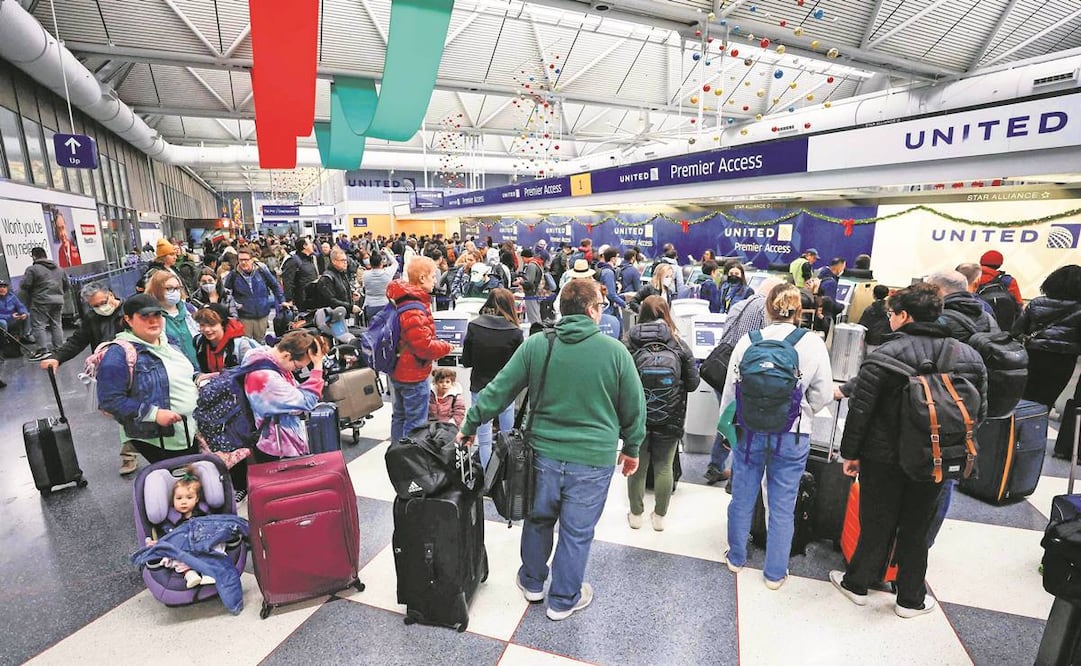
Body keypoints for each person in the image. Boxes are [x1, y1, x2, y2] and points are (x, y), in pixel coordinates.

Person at [456, 279, 645, 621]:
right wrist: (631, 448)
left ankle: (532, 583)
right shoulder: (616, 352)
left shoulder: (537, 345)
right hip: (593, 459)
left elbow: (498, 389)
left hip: (541, 453)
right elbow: (635, 407)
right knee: (576, 532)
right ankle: (562, 600)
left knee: (538, 518)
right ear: (592, 310)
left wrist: (470, 425)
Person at [831, 283, 987, 618]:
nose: (889, 319)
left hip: (882, 456)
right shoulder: (969, 356)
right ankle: (910, 599)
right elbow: (978, 411)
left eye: (891, 314)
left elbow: (862, 411)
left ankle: (858, 584)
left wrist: (851, 454)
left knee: (876, 520)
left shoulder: (885, 356)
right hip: (936, 456)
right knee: (918, 526)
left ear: (904, 316)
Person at [719, 283, 833, 590]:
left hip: (749, 432)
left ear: (767, 309)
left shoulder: (748, 341)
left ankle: (737, 556)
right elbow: (822, 396)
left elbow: (731, 394)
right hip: (793, 435)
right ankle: (775, 571)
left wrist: (728, 431)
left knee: (742, 497)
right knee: (783, 503)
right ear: (799, 311)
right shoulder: (811, 343)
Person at [97, 294, 200, 464]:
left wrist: (199, 378)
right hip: (161, 439)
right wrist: (154, 414)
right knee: (181, 486)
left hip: (190, 431)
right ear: (128, 320)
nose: (153, 321)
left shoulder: (168, 342)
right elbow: (109, 400)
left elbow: (182, 374)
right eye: (144, 316)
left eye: (157, 315)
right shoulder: (118, 354)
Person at [625, 296, 699, 531]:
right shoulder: (678, 343)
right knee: (664, 466)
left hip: (638, 415)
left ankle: (636, 515)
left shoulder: (630, 340)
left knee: (637, 464)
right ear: (667, 313)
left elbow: (619, 379)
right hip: (671, 414)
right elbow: (693, 383)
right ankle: (659, 517)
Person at [703, 276, 785, 487]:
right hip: (746, 374)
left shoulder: (739, 304)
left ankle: (715, 466)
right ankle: (736, 480)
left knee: (727, 419)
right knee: (745, 426)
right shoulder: (764, 309)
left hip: (720, 370)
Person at [42, 283, 133, 472]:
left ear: (110, 293)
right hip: (110, 372)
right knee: (123, 413)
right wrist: (57, 357)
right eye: (95, 306)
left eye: (103, 302)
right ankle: (130, 452)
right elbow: (77, 341)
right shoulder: (92, 318)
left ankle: (134, 451)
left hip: (135, 366)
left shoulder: (130, 309)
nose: (101, 307)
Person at [386, 257, 454, 445]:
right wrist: (447, 347)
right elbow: (423, 347)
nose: (436, 281)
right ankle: (408, 462)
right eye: (433, 276)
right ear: (422, 278)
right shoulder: (414, 308)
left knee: (399, 416)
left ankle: (396, 454)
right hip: (413, 375)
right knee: (415, 423)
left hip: (397, 368)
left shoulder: (401, 299)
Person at [460, 288, 523, 467]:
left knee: (484, 439)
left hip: (479, 386)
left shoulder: (474, 325)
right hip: (506, 390)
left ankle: (487, 479)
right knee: (507, 435)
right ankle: (506, 476)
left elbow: (466, 361)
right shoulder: (515, 332)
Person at [241, 330, 326, 460]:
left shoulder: (262, 356)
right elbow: (307, 402)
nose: (296, 371)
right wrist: (318, 367)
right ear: (287, 355)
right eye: (298, 367)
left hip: (277, 440)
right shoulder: (266, 378)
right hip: (278, 447)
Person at [1012, 264, 1081, 409]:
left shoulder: (1037, 303)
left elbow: (1016, 332)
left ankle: (1014, 430)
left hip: (1032, 355)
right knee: (1045, 401)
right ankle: (1036, 429)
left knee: (1023, 398)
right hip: (1063, 361)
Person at [143, 465, 221, 589]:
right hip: (183, 547)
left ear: (197, 499)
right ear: (173, 499)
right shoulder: (170, 519)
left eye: (189, 497)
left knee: (214, 548)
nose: (183, 501)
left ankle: (207, 573)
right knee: (175, 556)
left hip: (201, 544)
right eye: (179, 498)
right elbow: (168, 535)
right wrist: (158, 543)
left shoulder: (203, 512)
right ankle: (189, 574)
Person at [223, 248, 284, 341]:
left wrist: (282, 301)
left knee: (260, 342)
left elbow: (275, 285)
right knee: (245, 343)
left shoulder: (261, 271)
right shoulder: (233, 275)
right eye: (241, 260)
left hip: (262, 313)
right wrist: (234, 308)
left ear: (251, 260)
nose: (243, 263)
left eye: (246, 260)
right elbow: (226, 294)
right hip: (244, 316)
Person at [20, 247, 66, 362]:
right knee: (56, 324)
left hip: (41, 301)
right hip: (58, 300)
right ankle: (59, 347)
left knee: (39, 325)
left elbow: (25, 285)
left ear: (34, 256)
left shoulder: (32, 269)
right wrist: (59, 293)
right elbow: (67, 284)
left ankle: (43, 351)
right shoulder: (59, 269)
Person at [148, 270, 200, 369]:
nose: (175, 292)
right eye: (169, 288)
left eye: (177, 288)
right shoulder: (152, 317)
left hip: (200, 367)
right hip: (175, 370)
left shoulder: (190, 309)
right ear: (157, 290)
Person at [192, 303, 260, 374]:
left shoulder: (240, 345)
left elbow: (252, 372)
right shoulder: (198, 342)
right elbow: (195, 368)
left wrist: (219, 376)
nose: (206, 329)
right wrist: (198, 376)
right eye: (202, 325)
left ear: (223, 324)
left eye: (212, 324)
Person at [315, 248, 361, 316]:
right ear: (334, 261)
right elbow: (330, 301)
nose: (345, 263)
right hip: (333, 317)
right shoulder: (327, 278)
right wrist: (350, 307)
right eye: (342, 260)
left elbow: (340, 290)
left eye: (346, 260)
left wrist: (351, 294)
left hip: (343, 315)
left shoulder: (341, 273)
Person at [281, 238, 319, 310]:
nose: (312, 245)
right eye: (310, 243)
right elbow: (288, 281)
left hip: (313, 297)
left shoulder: (310, 258)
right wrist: (289, 300)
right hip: (302, 300)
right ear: (304, 246)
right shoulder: (294, 261)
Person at [361, 248, 398, 323]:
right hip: (385, 305)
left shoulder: (365, 274)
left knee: (372, 329)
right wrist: (387, 252)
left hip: (370, 306)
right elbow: (395, 263)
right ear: (381, 263)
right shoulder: (387, 273)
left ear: (370, 263)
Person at [815, 257, 848, 334]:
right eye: (843, 267)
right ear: (839, 267)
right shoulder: (831, 283)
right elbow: (829, 303)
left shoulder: (821, 275)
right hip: (825, 319)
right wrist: (841, 306)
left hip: (817, 316)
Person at [0, 279, 29, 344]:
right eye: (0, 287)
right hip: (3, 319)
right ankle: (5, 339)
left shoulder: (12, 296)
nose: (2, 289)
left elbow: (20, 306)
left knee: (28, 315)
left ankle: (25, 335)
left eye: (4, 287)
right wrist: (10, 316)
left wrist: (23, 313)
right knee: (3, 323)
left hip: (13, 317)